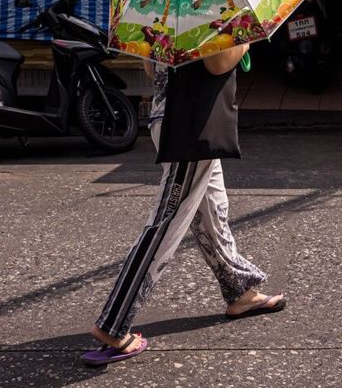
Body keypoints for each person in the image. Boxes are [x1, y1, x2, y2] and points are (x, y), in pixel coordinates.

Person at [80, 41, 285, 367]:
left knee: (212, 211)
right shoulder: (210, 0)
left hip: (171, 117)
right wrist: (244, 39)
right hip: (191, 123)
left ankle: (239, 290)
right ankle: (114, 324)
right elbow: (217, 64)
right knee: (166, 224)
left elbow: (150, 67)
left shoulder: (168, 5)